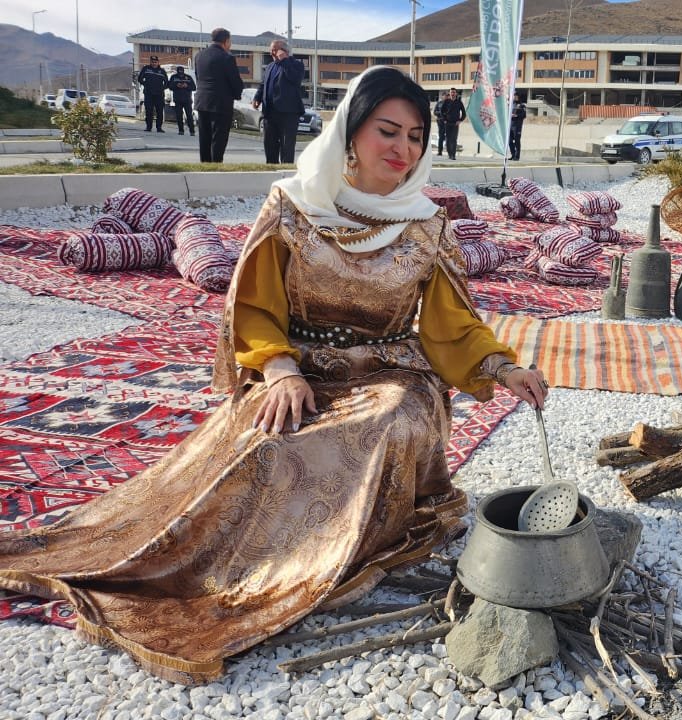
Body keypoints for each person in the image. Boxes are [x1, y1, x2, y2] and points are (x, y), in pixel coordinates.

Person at [0, 66, 549, 684]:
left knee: (386, 424)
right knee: (264, 442)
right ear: (350, 130)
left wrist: (504, 368)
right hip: (297, 366)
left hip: (393, 375)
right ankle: (212, 569)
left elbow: (451, 327)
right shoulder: (293, 206)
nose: (403, 149)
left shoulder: (426, 225)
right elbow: (255, 306)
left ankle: (318, 560)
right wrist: (279, 368)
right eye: (387, 130)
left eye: (417, 136)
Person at [194, 27, 244, 163]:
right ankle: (216, 164)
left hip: (202, 101)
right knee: (219, 137)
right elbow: (235, 81)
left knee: (204, 137)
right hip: (221, 103)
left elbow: (198, 77)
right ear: (226, 41)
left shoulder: (199, 55)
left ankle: (204, 164)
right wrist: (238, 94)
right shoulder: (227, 57)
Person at [253, 39, 306, 164]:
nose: (272, 53)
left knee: (287, 146)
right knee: (269, 145)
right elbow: (263, 84)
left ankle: (286, 172)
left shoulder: (296, 64)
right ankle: (270, 169)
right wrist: (257, 97)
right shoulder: (270, 66)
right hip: (269, 113)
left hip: (288, 113)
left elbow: (295, 79)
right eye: (271, 50)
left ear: (284, 51)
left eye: (275, 50)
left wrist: (285, 61)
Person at [136, 56, 168, 132]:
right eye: (152, 62)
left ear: (158, 62)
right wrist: (146, 84)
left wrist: (162, 88)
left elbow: (167, 82)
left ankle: (159, 128)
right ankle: (148, 127)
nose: (154, 63)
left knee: (160, 111)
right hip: (148, 94)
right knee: (149, 111)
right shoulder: (146, 69)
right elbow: (140, 79)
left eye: (155, 62)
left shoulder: (162, 71)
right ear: (150, 62)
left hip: (159, 95)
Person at [167, 65, 197, 136]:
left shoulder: (188, 77)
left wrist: (187, 86)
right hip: (178, 100)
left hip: (187, 100)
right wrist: (177, 86)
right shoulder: (173, 77)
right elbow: (170, 87)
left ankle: (192, 131)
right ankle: (181, 130)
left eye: (182, 73)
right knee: (179, 116)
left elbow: (194, 87)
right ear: (177, 72)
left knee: (189, 116)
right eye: (179, 73)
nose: (181, 74)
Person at [437, 88, 466, 160]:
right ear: (450, 94)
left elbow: (464, 113)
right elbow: (441, 111)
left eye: (454, 92)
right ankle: (449, 153)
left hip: (455, 123)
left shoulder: (459, 102)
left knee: (454, 139)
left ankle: (453, 155)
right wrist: (444, 120)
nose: (452, 94)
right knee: (448, 139)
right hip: (447, 123)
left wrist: (460, 120)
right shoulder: (446, 101)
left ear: (456, 93)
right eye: (451, 92)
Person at [509, 94, 527, 161]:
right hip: (510, 126)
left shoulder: (522, 105)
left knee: (517, 141)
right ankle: (513, 155)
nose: (514, 97)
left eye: (516, 96)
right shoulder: (511, 104)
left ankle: (517, 156)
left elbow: (524, 115)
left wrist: (516, 115)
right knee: (509, 141)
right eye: (513, 96)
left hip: (517, 126)